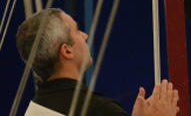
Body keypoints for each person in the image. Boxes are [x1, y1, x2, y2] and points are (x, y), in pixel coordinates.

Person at [15, 8, 179, 116]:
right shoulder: (99, 110)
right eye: (77, 31)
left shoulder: (33, 109)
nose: (85, 35)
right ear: (67, 51)